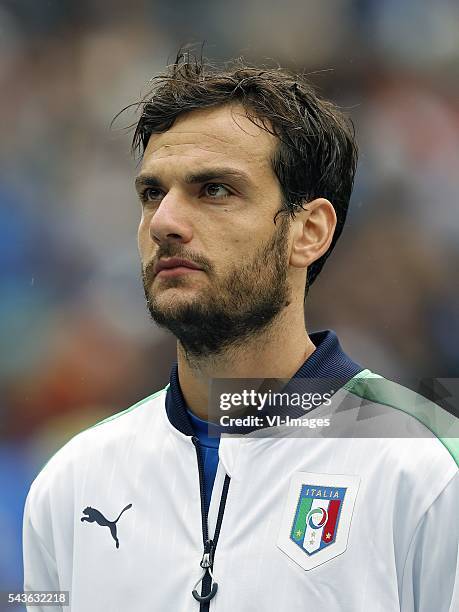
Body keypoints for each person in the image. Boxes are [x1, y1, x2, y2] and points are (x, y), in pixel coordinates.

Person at [23, 52, 458, 612]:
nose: (164, 223)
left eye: (215, 190)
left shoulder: (424, 465)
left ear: (309, 231)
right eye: (153, 193)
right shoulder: (72, 483)